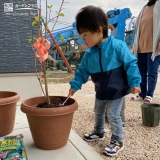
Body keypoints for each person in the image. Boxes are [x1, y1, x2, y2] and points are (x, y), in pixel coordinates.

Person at [68, 5, 141, 157]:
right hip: (100, 90)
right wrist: (75, 85)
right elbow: (82, 72)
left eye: (85, 35)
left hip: (116, 90)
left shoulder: (117, 46)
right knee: (98, 111)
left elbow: (131, 63)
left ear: (99, 31)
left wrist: (135, 82)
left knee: (113, 115)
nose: (84, 39)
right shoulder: (89, 54)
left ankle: (117, 141)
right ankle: (99, 131)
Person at [131, 0, 160, 103]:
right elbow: (138, 29)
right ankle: (142, 93)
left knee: (152, 72)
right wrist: (135, 46)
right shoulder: (144, 8)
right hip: (141, 47)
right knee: (141, 72)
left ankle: (149, 95)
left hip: (154, 47)